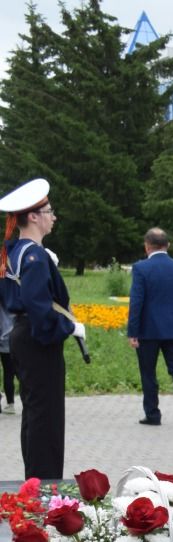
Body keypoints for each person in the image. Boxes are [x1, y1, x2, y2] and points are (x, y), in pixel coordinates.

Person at [0, 179, 82, 480]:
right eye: (49, 210)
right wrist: (69, 326)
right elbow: (39, 308)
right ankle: (45, 484)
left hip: (24, 337)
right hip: (37, 339)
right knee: (45, 418)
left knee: (35, 414)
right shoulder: (34, 256)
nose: (54, 216)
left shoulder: (18, 252)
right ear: (33, 216)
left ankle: (36, 479)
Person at [127, 227, 173, 429]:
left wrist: (132, 331)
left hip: (148, 331)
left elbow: (137, 301)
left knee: (148, 372)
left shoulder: (141, 268)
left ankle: (153, 414)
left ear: (146, 246)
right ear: (167, 245)